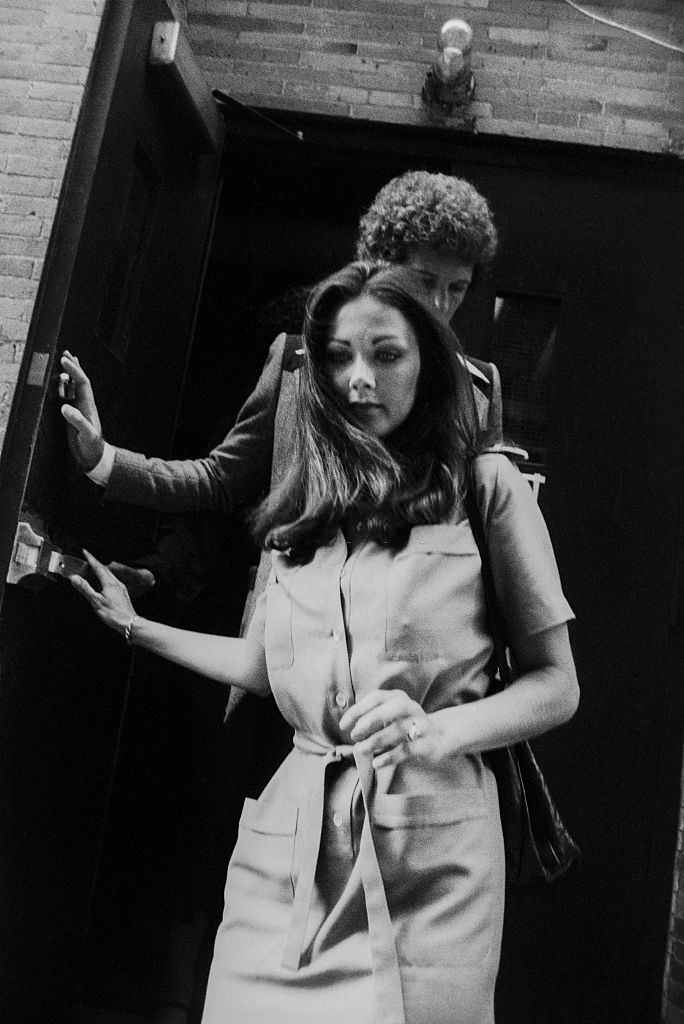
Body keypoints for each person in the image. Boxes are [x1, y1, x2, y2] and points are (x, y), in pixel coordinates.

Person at [69, 262, 579, 1024]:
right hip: (291, 845)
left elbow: (556, 683)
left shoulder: (487, 490)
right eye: (339, 356)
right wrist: (135, 627)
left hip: (432, 857)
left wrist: (438, 729)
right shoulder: (299, 506)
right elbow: (264, 667)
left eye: (386, 354)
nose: (358, 379)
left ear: (429, 364)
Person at [58, 172, 511, 606]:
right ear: (382, 269)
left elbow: (486, 532)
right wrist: (102, 458)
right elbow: (220, 479)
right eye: (426, 281)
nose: (438, 304)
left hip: (415, 650)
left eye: (458, 289)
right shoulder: (299, 364)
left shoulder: (479, 388)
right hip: (292, 633)